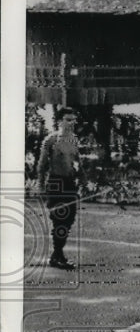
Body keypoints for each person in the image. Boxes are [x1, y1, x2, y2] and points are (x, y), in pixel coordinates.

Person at [37, 107, 82, 270]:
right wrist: (40, 185)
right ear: (59, 121)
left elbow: (77, 162)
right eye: (68, 119)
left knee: (69, 219)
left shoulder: (74, 140)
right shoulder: (51, 140)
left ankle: (57, 254)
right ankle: (57, 255)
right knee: (60, 219)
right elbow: (41, 165)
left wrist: (81, 178)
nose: (71, 123)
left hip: (70, 184)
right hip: (56, 183)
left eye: (73, 120)